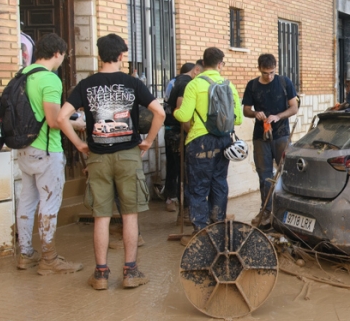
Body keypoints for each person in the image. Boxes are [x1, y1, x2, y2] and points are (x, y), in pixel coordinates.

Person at [63, 34, 164, 290]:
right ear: (121, 56)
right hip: (129, 155)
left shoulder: (86, 85)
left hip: (97, 157)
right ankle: (130, 273)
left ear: (99, 55)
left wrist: (80, 145)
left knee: (101, 216)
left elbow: (62, 118)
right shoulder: (132, 83)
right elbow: (160, 112)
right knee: (130, 215)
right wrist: (148, 141)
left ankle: (100, 275)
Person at [15, 33, 83, 276]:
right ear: (58, 53)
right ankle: (49, 258)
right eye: (63, 56)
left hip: (24, 148)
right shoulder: (50, 80)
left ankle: (25, 254)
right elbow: (55, 121)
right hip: (46, 150)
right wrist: (77, 126)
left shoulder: (22, 75)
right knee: (49, 202)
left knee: (27, 200)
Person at [175, 47, 243, 232]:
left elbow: (183, 116)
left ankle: (201, 231)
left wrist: (175, 111)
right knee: (219, 182)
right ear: (220, 64)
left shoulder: (194, 84)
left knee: (198, 187)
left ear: (203, 63)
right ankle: (218, 224)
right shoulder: (229, 86)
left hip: (200, 142)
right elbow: (238, 119)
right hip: (223, 142)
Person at [243, 53, 299, 223]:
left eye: (272, 72)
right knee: (264, 174)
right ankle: (266, 210)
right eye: (265, 73)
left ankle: (287, 211)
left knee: (286, 172)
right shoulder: (252, 85)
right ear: (259, 69)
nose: (269, 76)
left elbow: (294, 107)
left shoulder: (284, 82)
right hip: (261, 137)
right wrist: (255, 113)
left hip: (281, 135)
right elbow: (245, 110)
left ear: (276, 68)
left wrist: (278, 116)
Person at [163, 60, 203, 213]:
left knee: (172, 166)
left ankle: (170, 199)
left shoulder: (173, 81)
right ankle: (185, 208)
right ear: (196, 71)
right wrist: (192, 132)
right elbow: (181, 112)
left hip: (169, 129)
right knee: (184, 170)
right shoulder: (186, 84)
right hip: (178, 132)